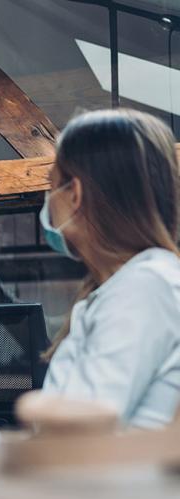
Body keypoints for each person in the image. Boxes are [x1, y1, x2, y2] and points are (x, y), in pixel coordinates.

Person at [33, 108, 180, 429]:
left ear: (75, 193)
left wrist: (30, 407)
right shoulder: (130, 285)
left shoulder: (145, 287)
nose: (47, 201)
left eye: (52, 185)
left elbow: (79, 429)